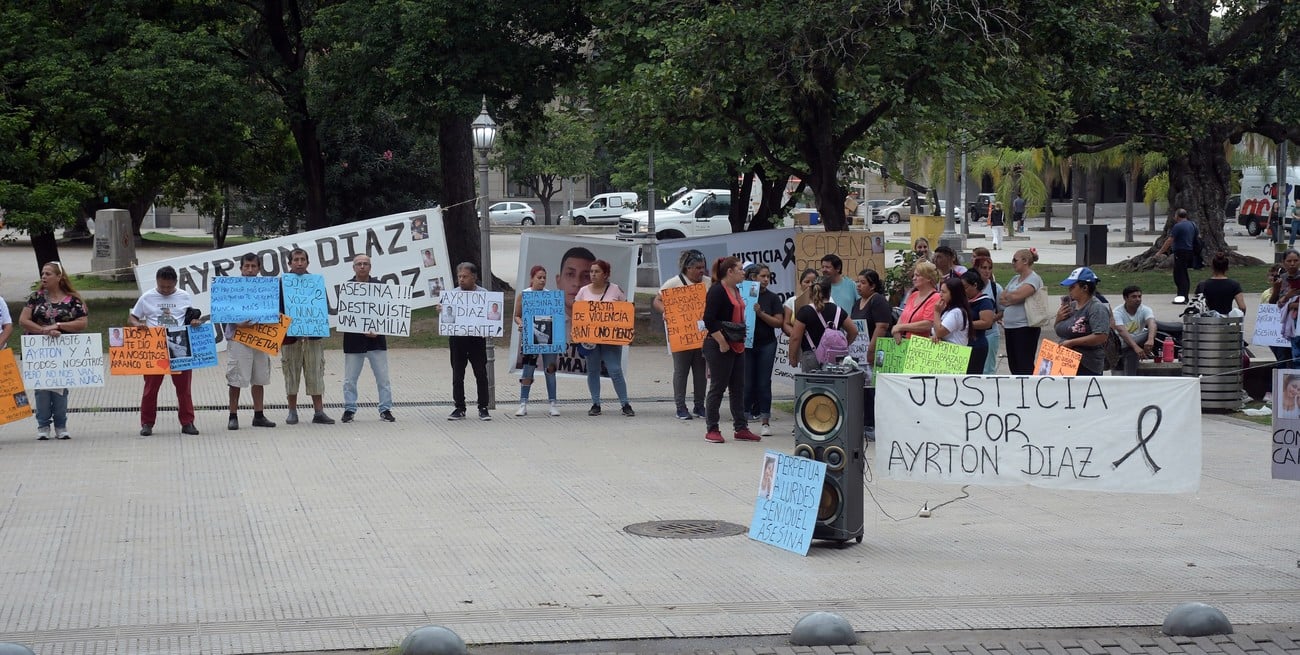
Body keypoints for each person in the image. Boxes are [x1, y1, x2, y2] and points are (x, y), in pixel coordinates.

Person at [19, 261, 88, 440]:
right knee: (41, 388)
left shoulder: (73, 300)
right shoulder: (35, 297)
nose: (44, 277)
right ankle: (43, 425)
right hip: (39, 350)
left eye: (48, 273)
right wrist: (44, 330)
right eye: (42, 273)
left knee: (60, 388)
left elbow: (82, 322)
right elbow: (23, 320)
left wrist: (58, 325)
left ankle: (60, 425)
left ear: (59, 277)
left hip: (63, 350)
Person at [130, 266, 202, 436]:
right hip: (155, 348)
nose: (165, 290)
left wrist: (195, 322)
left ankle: (187, 422)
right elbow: (133, 316)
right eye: (162, 287)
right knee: (150, 388)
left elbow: (190, 316)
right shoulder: (147, 297)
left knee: (184, 388)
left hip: (179, 346)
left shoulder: (184, 296)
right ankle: (147, 423)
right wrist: (137, 325)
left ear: (176, 283)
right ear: (157, 282)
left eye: (169, 287)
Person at [701, 257, 761, 444]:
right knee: (718, 387)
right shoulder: (717, 291)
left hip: (737, 343)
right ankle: (712, 429)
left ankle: (741, 427)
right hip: (719, 344)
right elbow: (709, 320)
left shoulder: (736, 290)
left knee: (737, 388)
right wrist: (721, 341)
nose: (744, 272)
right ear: (730, 272)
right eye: (740, 269)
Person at [653, 249, 710, 420]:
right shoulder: (673, 283)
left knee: (701, 372)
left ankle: (700, 406)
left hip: (701, 336)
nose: (702, 271)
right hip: (681, 335)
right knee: (681, 371)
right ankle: (681, 407)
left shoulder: (708, 282)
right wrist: (667, 312)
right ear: (688, 268)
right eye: (698, 268)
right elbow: (657, 300)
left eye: (703, 267)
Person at [223, 253, 277, 431]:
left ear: (259, 268)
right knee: (236, 378)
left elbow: (273, 311)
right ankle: (233, 415)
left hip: (260, 337)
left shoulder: (267, 287)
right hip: (239, 337)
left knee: (259, 377)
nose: (250, 269)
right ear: (241, 268)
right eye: (246, 266)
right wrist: (236, 321)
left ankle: (259, 415)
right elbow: (221, 309)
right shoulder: (231, 287)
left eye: (253, 266)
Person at [280, 249, 334, 425]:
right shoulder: (282, 283)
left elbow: (323, 306)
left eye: (303, 259)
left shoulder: (316, 282)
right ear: (290, 263)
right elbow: (277, 310)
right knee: (291, 374)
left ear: (308, 262)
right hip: (290, 339)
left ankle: (319, 412)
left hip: (313, 338)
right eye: (296, 260)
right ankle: (292, 411)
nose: (299, 263)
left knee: (316, 373)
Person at [341, 255, 396, 424]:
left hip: (376, 341)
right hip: (353, 342)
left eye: (365, 264)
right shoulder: (347, 288)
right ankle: (349, 409)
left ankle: (385, 409)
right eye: (359, 264)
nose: (362, 266)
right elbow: (345, 314)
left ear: (370, 267)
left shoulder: (380, 287)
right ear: (354, 267)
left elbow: (387, 313)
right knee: (350, 379)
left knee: (383, 378)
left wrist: (378, 330)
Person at [577, 259, 634, 417]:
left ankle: (625, 403)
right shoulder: (583, 292)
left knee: (615, 369)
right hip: (590, 340)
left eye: (597, 271)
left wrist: (628, 331)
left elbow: (626, 311)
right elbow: (577, 315)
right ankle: (595, 403)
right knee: (593, 370)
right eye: (591, 271)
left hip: (610, 339)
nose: (593, 274)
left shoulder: (615, 290)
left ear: (606, 274)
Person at [445, 262, 492, 421]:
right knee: (458, 375)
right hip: (458, 340)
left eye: (465, 276)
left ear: (474, 277)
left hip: (476, 340)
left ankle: (483, 407)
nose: (461, 280)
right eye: (459, 276)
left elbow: (491, 316)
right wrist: (443, 310)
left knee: (481, 373)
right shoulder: (453, 294)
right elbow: (448, 318)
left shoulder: (484, 294)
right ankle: (459, 407)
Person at [513, 265, 560, 417]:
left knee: (550, 369)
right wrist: (521, 323)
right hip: (531, 338)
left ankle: (553, 403)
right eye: (539, 277)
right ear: (532, 278)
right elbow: (517, 315)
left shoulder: (550, 296)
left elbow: (556, 318)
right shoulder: (524, 295)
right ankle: (523, 402)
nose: (542, 280)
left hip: (548, 338)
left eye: (544, 277)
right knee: (528, 370)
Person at [851, 269, 892, 438]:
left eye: (862, 282)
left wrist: (871, 350)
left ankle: (873, 426)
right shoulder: (857, 302)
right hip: (859, 354)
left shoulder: (878, 301)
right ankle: (865, 423)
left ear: (873, 285)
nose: (858, 286)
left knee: (874, 390)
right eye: (857, 282)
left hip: (874, 352)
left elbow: (881, 326)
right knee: (864, 390)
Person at [745, 264, 784, 436]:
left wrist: (761, 314)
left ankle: (765, 420)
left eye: (768, 276)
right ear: (753, 277)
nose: (766, 279)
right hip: (747, 343)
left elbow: (778, 322)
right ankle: (743, 418)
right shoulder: (743, 294)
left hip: (767, 344)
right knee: (747, 382)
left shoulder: (773, 298)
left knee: (763, 382)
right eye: (763, 276)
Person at [790, 276, 858, 372]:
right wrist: (843, 345)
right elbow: (854, 331)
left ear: (811, 291)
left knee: (811, 386)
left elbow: (795, 337)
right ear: (830, 292)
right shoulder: (838, 311)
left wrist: (792, 358)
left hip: (811, 357)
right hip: (834, 358)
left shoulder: (805, 311)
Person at [1053, 267, 1111, 376]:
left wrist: (1071, 343)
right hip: (1065, 362)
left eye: (1073, 286)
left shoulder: (1096, 308)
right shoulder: (1071, 307)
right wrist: (1058, 319)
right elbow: (1060, 331)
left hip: (1087, 364)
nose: (1069, 289)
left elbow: (1101, 336)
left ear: (1085, 287)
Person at [999, 248, 1044, 375]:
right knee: (1013, 364)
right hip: (1010, 327)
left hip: (1025, 327)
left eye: (1015, 260)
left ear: (1025, 261)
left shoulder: (1033, 278)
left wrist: (1012, 297)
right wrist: (1012, 298)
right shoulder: (1014, 279)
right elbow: (1002, 298)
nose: (1012, 262)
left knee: (1024, 363)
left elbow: (1016, 296)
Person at [1154, 208, 1197, 304]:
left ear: (1177, 216)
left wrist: (1160, 252)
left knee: (1179, 276)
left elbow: (1169, 240)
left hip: (1181, 252)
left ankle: (1182, 297)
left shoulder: (1178, 226)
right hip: (1189, 251)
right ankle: (1183, 296)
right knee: (1183, 274)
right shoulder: (1192, 224)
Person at [1112, 285, 1157, 376]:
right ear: (1125, 298)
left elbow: (1152, 323)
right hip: (1120, 343)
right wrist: (1135, 347)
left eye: (1139, 296)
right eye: (1134, 297)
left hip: (1136, 340)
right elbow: (1121, 331)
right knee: (1131, 351)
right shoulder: (1117, 312)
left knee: (1153, 330)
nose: (1138, 299)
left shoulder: (1145, 309)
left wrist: (1150, 339)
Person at [892, 261, 942, 342]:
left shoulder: (935, 297)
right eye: (914, 275)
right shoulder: (913, 295)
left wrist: (900, 327)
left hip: (919, 345)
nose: (914, 278)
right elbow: (903, 316)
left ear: (928, 278)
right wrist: (896, 330)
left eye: (917, 275)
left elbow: (927, 324)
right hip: (903, 342)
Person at [971, 255, 1002, 374]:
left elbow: (1002, 310)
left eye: (990, 268)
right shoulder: (971, 287)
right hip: (972, 334)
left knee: (988, 368)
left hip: (990, 333)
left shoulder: (995, 288)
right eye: (984, 267)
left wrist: (991, 319)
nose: (987, 271)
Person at [961, 270, 996, 375]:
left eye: (965, 287)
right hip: (963, 343)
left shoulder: (985, 301)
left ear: (975, 285)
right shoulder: (964, 300)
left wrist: (966, 324)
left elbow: (986, 322)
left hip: (976, 345)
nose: (963, 291)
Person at [1261, 263, 1291, 366]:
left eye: (1276, 276)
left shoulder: (1287, 292)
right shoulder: (1265, 293)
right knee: (1280, 356)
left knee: (1283, 356)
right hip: (1272, 332)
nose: (1273, 278)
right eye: (1271, 275)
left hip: (1285, 330)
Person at [932, 277, 972, 347]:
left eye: (944, 292)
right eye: (940, 291)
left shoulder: (956, 312)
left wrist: (937, 312)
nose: (940, 295)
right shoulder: (948, 310)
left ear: (953, 294)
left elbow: (939, 331)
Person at [783, 268, 818, 336]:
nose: (810, 285)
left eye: (814, 282)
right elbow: (786, 324)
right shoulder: (791, 301)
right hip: (799, 343)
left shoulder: (826, 300)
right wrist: (796, 336)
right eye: (807, 282)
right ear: (801, 284)